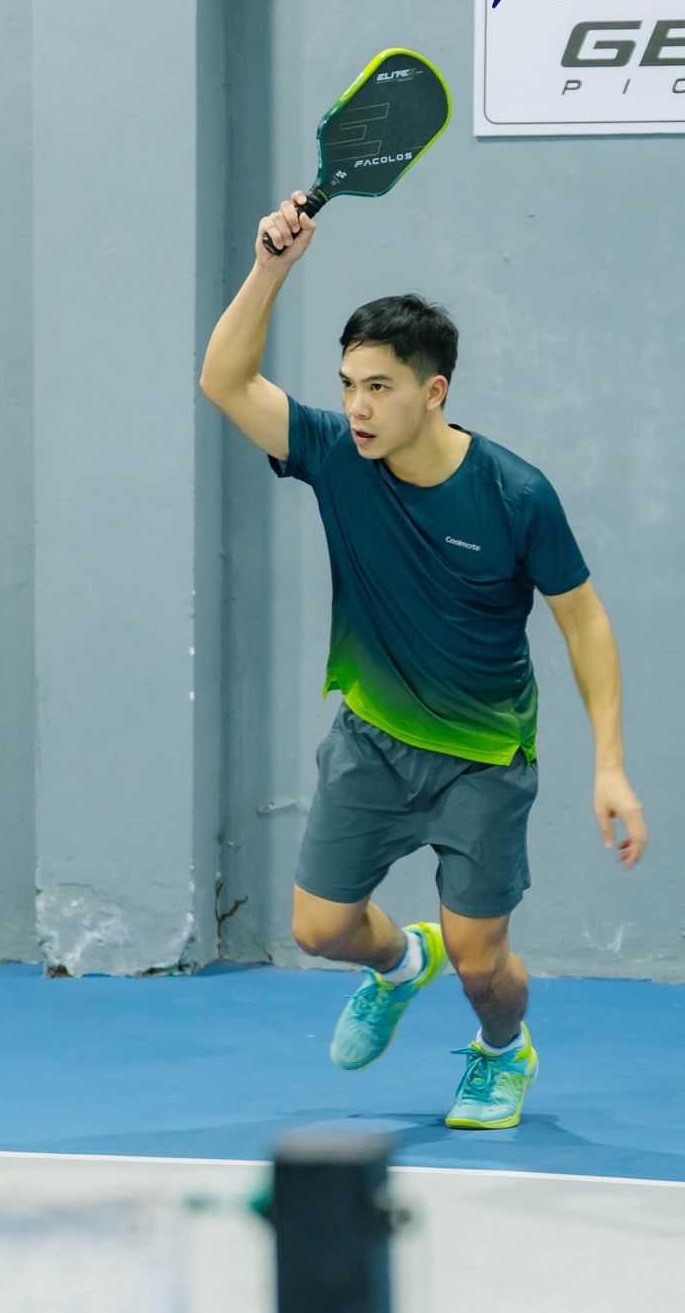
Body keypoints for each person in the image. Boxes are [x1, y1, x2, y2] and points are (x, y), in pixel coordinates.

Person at [198, 192, 646, 1129]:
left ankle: (502, 1050)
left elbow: (586, 624)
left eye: (380, 387)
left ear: (433, 391)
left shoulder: (515, 494)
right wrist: (271, 269)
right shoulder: (335, 454)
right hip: (371, 741)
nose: (357, 406)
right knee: (320, 928)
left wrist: (609, 764)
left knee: (483, 965)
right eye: (348, 384)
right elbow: (225, 381)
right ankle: (404, 962)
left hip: (483, 762)